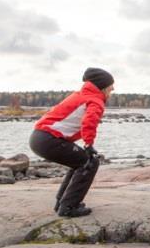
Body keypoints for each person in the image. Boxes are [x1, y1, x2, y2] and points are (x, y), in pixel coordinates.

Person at [29, 67, 114, 218]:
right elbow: (89, 122)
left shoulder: (80, 95)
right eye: (110, 86)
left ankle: (62, 203)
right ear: (102, 87)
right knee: (90, 163)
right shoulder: (95, 100)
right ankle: (68, 207)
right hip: (49, 139)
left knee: (79, 162)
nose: (112, 89)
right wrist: (88, 144)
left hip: (39, 137)